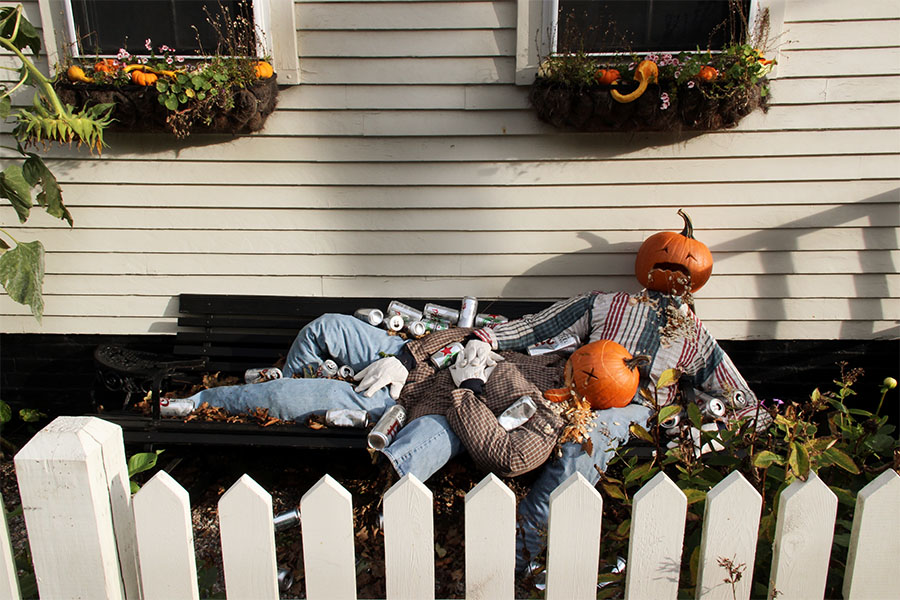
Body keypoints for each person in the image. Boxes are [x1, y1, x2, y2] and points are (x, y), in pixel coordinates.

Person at [163, 289, 762, 573]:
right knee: (318, 360)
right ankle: (242, 397)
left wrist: (467, 388)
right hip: (423, 367)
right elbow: (501, 332)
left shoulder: (560, 410)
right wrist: (424, 356)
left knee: (415, 438)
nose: (591, 361)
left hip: (439, 405)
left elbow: (506, 451)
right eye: (590, 352)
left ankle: (509, 555)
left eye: (595, 366)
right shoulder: (570, 331)